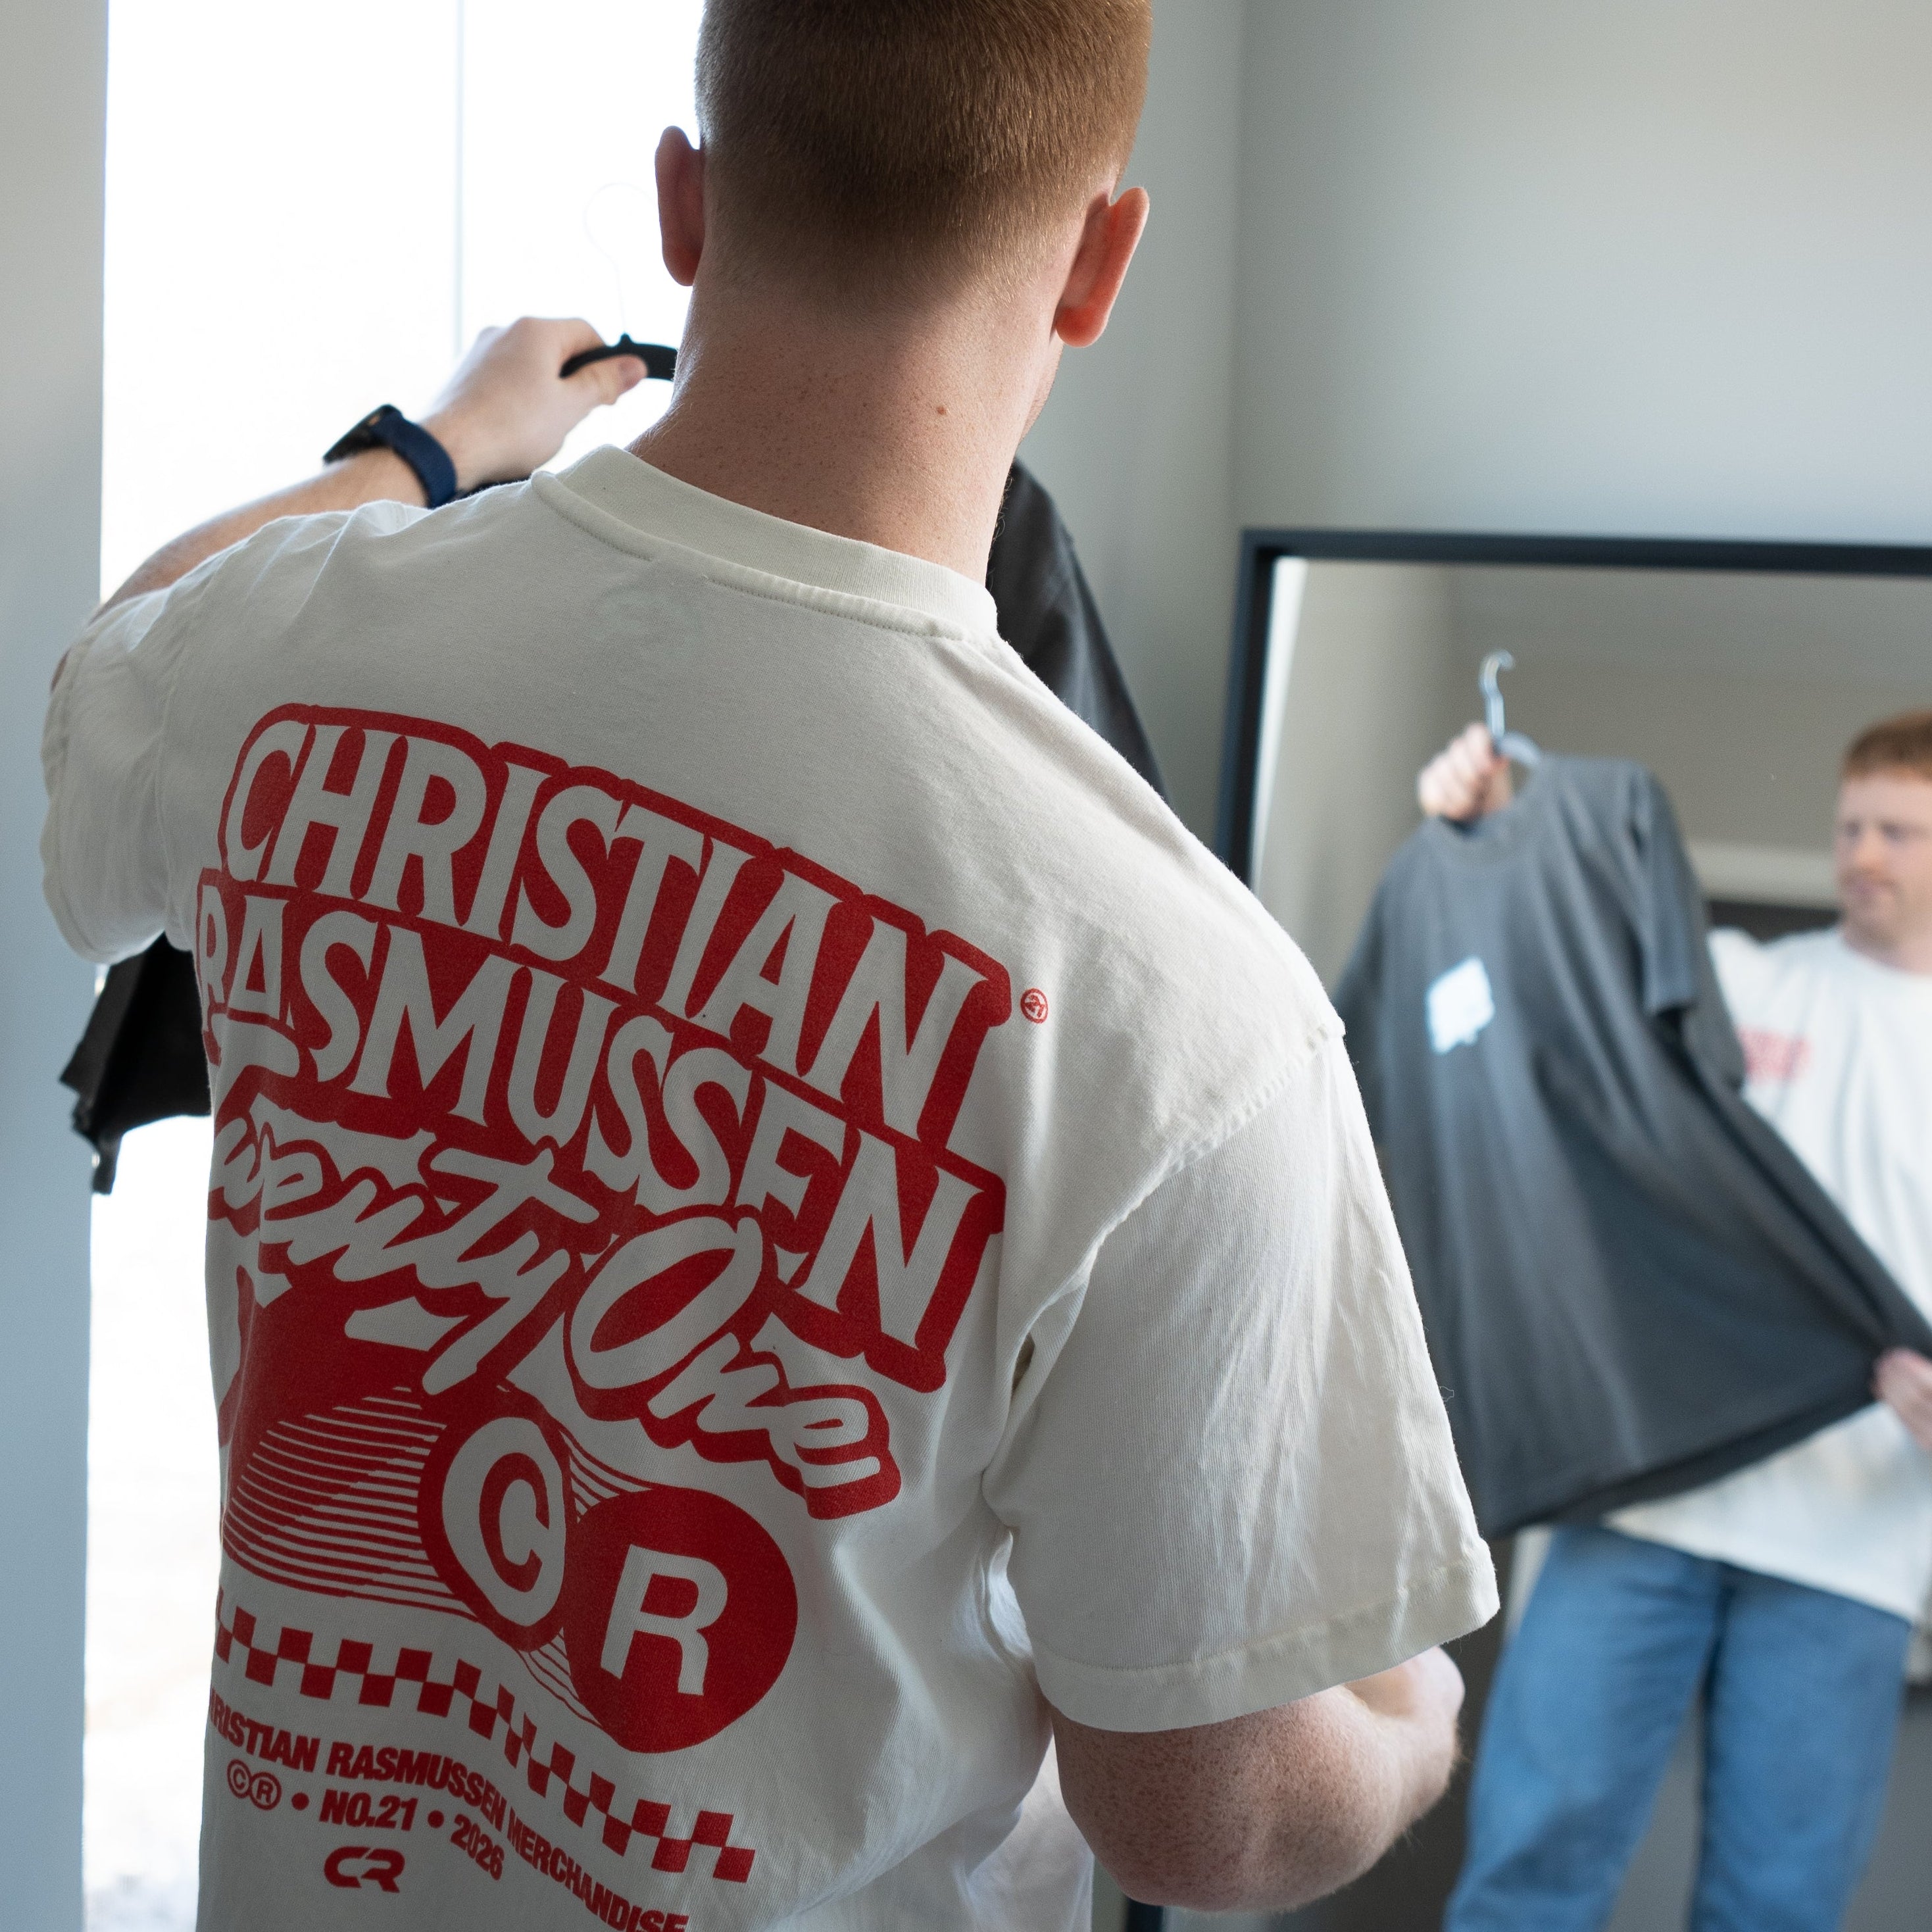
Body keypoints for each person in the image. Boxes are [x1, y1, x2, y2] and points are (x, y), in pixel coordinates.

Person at [39, 3, 1496, 1928]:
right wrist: (1411, 1714)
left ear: (684, 203)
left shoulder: (296, 663)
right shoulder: (1180, 1007)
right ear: (1100, 262)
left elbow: (120, 666)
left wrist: (434, 445)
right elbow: (1204, 1824)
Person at [1417, 713, 1932, 1932]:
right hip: (1645, 1495)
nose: (1861, 852)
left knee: (1779, 1902)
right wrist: (1487, 821)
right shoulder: (1746, 983)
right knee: (1529, 1865)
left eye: (1898, 830)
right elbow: (1562, 954)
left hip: (1849, 1543)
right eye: (1849, 823)